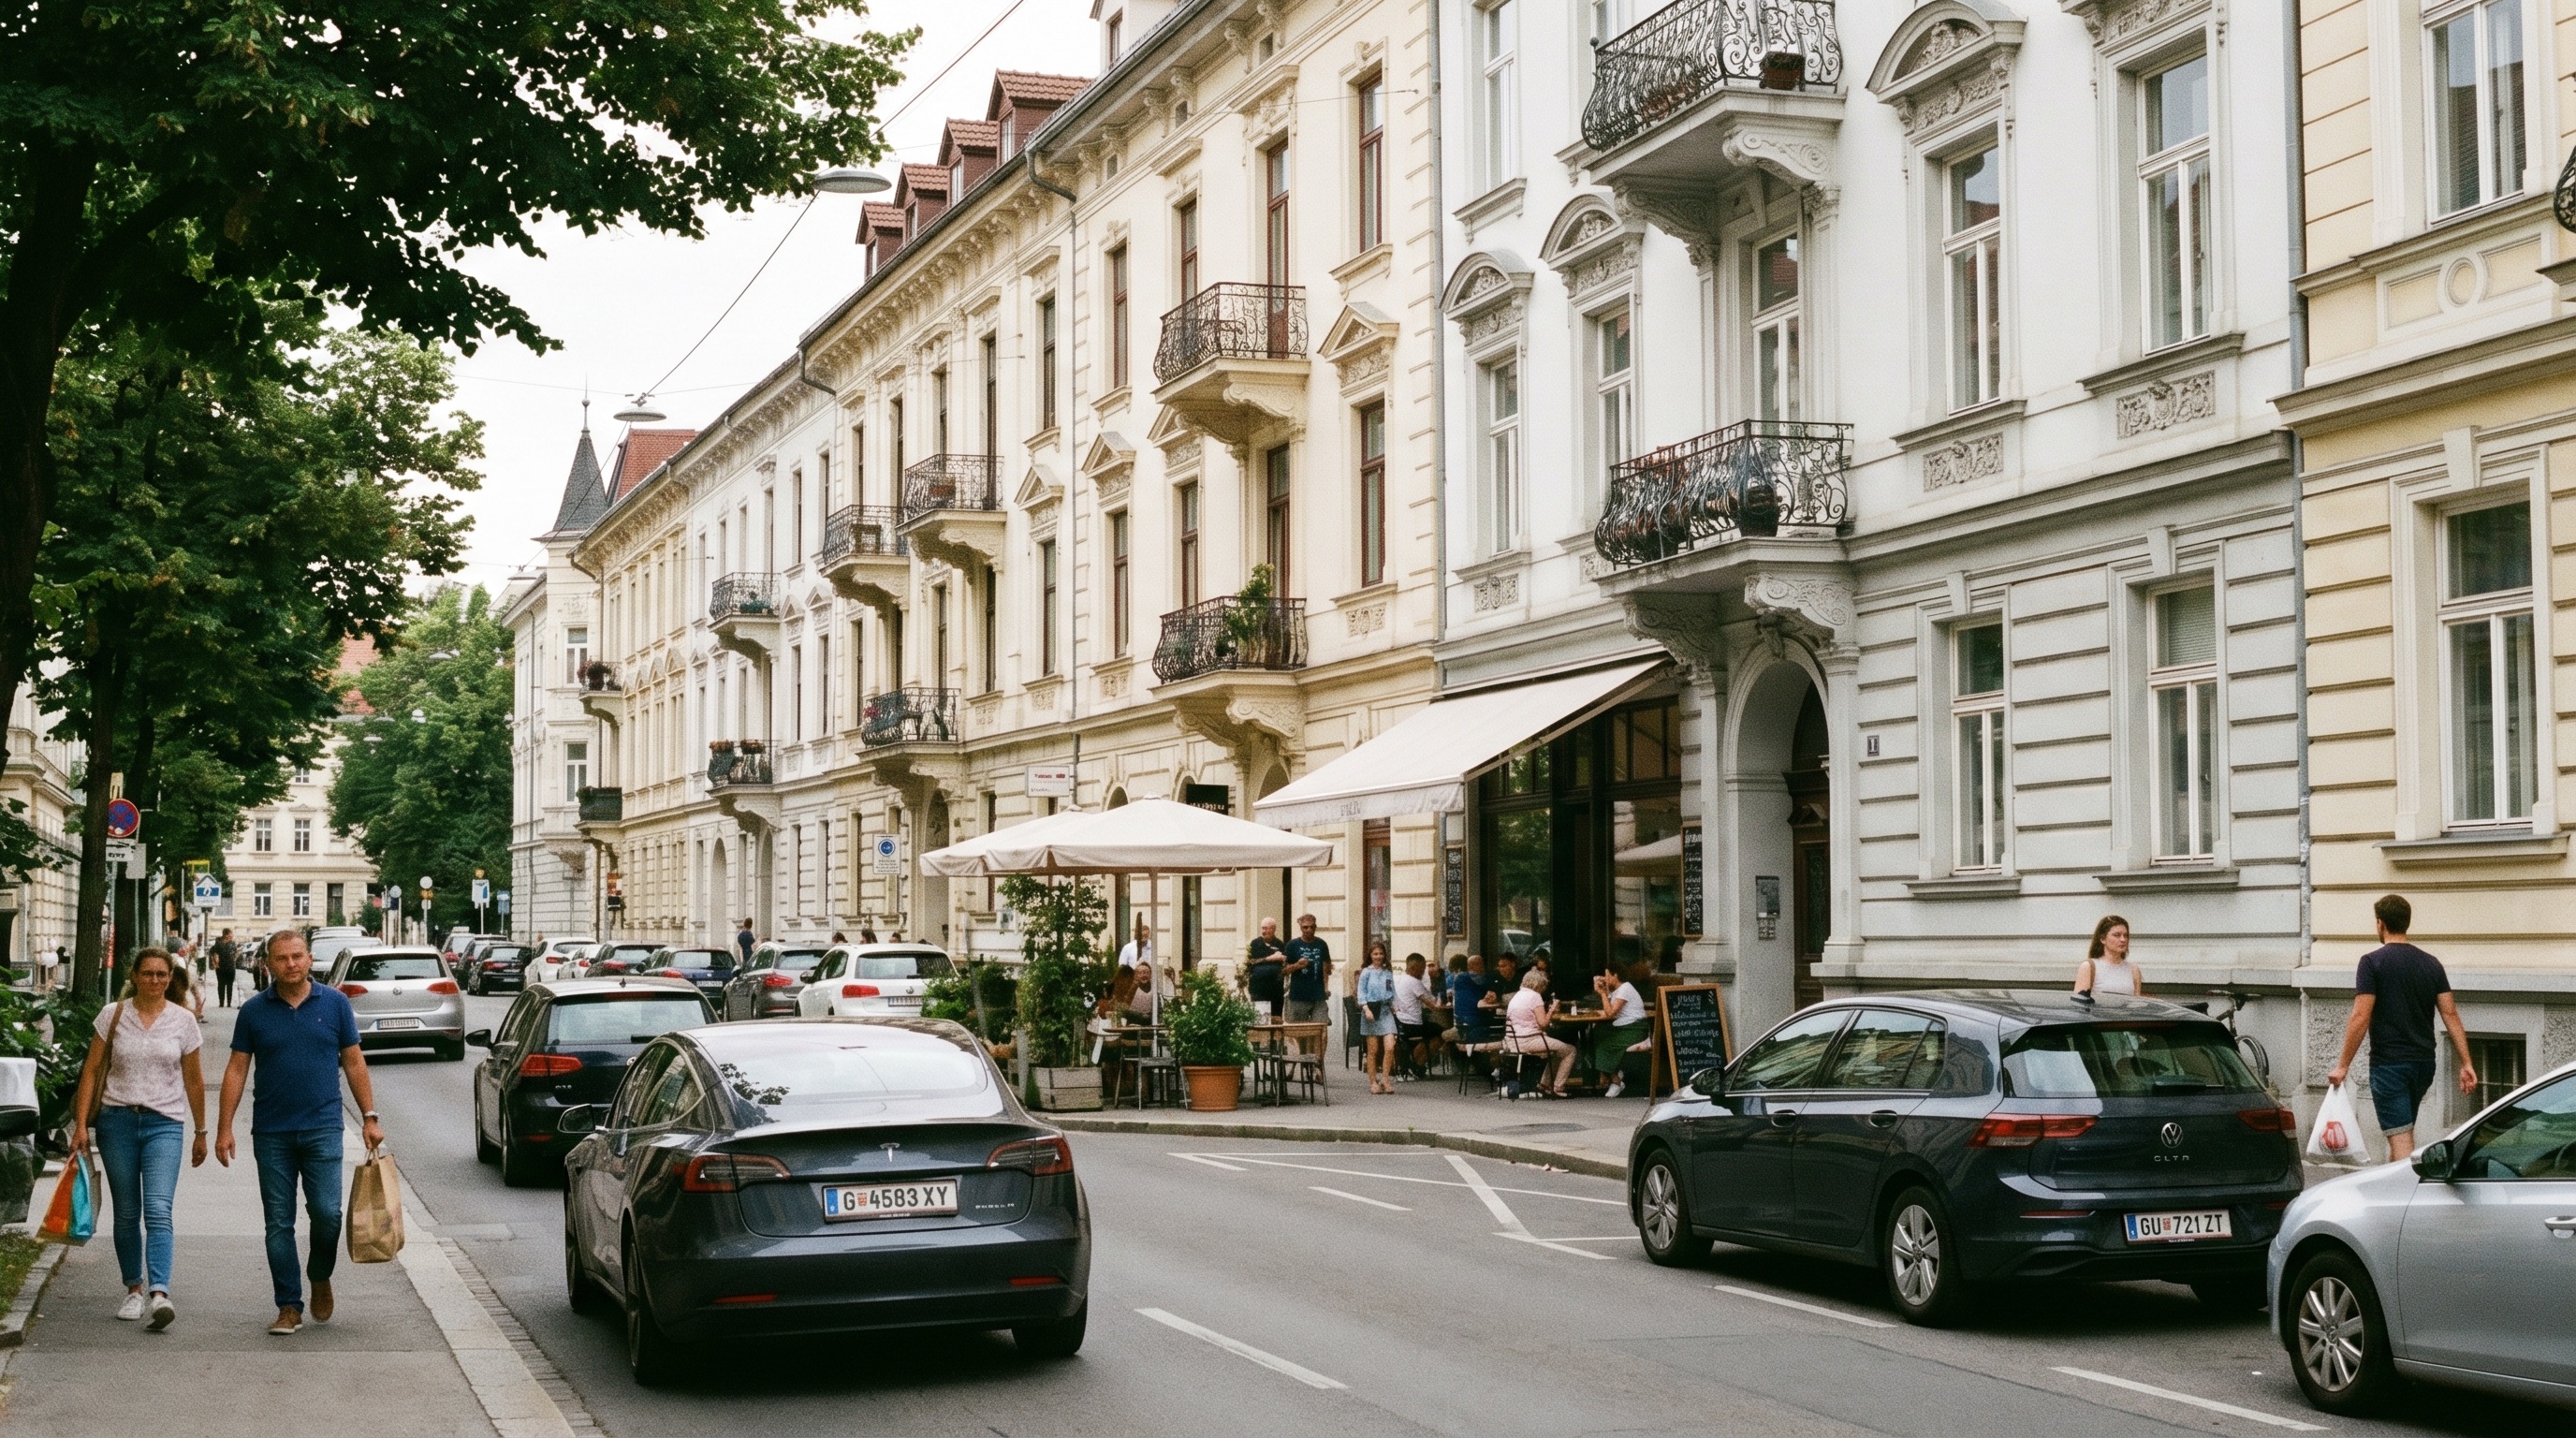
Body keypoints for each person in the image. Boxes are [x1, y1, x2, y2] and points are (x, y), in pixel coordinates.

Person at [215, 928, 386, 1337]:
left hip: (323, 1127)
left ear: (309, 959)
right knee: (278, 1223)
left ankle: (319, 1273)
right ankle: (289, 1305)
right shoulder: (254, 1011)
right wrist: (224, 1128)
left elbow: (354, 1061)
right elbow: (237, 1069)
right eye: (282, 958)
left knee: (328, 1214)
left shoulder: (336, 1003)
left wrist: (369, 1116)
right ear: (268, 964)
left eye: (297, 956)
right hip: (271, 1132)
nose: (291, 964)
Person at [66, 947, 209, 1331]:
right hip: (117, 1122)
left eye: (162, 974)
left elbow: (194, 1080)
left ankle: (159, 1293)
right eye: (148, 973)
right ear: (134, 975)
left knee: (159, 1208)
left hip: (165, 1123)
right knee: (127, 1211)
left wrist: (201, 1131)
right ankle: (133, 1289)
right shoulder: (112, 1015)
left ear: (170, 978)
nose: (155, 980)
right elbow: (91, 1071)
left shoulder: (183, 1021)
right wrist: (81, 1126)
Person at [2328, 894, 2478, 1163]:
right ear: (2406, 923)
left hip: (2390, 1066)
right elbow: (2450, 1013)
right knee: (2402, 1134)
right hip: (2423, 1065)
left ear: (2380, 923)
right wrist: (2466, 1062)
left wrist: (2342, 1066)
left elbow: (2360, 1016)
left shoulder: (2371, 962)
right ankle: (2394, 1186)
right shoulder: (2431, 963)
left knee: (2401, 1143)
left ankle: (2408, 1189)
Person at [1500, 970, 1576, 1099]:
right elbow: (1543, 1024)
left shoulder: (1517, 995)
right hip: (1529, 1040)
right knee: (1570, 1050)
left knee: (1558, 1051)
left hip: (1514, 1041)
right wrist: (1552, 1010)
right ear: (1539, 984)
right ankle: (1558, 1088)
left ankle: (1544, 1085)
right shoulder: (1535, 996)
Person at [1589, 962, 1654, 1098]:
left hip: (1635, 1029)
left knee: (1604, 1045)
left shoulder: (1625, 989)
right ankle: (1611, 1072)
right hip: (1624, 1027)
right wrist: (1605, 993)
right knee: (1596, 1034)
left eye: (1607, 976)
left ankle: (1616, 1082)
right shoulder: (1617, 991)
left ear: (1615, 975)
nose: (1605, 979)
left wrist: (1602, 993)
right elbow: (1610, 1011)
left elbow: (1610, 1013)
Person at [1355, 944, 1398, 1094]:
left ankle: (1385, 1079)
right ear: (1370, 956)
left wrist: (1395, 1005)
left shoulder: (1387, 973)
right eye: (1375, 954)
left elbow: (1392, 991)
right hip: (1371, 1011)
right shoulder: (1366, 972)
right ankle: (1373, 1082)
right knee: (1373, 1050)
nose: (1378, 956)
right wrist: (1366, 1009)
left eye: (1381, 954)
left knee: (1390, 1046)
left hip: (1385, 1011)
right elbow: (1361, 993)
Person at [1392, 951, 1439, 1079]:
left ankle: (1413, 1062)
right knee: (1441, 1033)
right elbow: (1432, 1003)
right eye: (1422, 969)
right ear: (1414, 968)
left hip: (1399, 1022)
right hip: (1412, 1024)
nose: (1423, 973)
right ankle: (1417, 1063)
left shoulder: (1399, 979)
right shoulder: (1414, 982)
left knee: (1429, 1029)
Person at [1281, 914, 1332, 1025]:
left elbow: (1326, 967)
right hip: (1298, 995)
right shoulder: (1292, 945)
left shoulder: (1322, 944)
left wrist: (1326, 988)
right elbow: (1283, 971)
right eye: (1305, 927)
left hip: (1318, 995)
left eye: (1312, 927)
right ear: (1301, 928)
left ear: (1315, 927)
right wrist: (1297, 965)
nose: (1309, 930)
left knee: (1321, 1028)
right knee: (1299, 1030)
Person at [2074, 915, 2143, 996]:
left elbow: (2137, 1000)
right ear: (2103, 939)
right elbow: (2079, 1000)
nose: (2123, 940)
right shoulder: (2089, 966)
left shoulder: (2133, 969)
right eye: (2117, 935)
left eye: (2125, 935)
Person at [1245, 918, 1286, 1020]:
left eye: (1268, 928)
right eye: (1263, 928)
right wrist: (1270, 958)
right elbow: (1249, 962)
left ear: (1274, 929)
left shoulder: (1280, 944)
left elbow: (1284, 966)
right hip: (1258, 989)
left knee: (1276, 1020)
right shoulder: (1255, 943)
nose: (1265, 931)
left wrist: (1284, 960)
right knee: (1260, 1019)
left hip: (1276, 990)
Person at [212, 930, 239, 1007]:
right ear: (225, 935)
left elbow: (235, 953)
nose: (231, 935)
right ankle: (221, 1003)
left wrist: (234, 958)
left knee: (230, 985)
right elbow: (212, 953)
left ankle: (229, 1003)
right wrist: (215, 963)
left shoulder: (233, 943)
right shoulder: (218, 943)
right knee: (221, 985)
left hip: (230, 967)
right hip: (221, 967)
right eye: (230, 934)